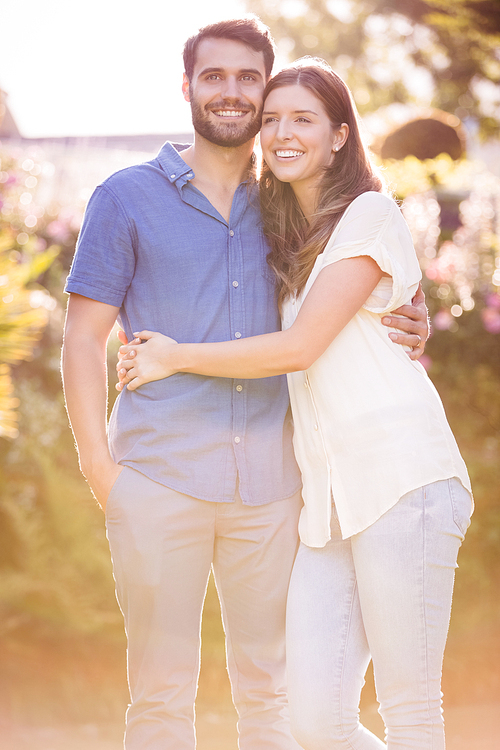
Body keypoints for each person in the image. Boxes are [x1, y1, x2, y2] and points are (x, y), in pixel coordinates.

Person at [61, 16, 428, 750]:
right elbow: (80, 339)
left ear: (264, 90)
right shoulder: (126, 197)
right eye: (214, 76)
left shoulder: (293, 205)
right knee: (161, 700)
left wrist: (415, 318)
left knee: (273, 699)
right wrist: (102, 471)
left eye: (247, 78)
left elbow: (350, 299)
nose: (230, 93)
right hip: (159, 478)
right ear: (189, 87)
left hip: (271, 490)